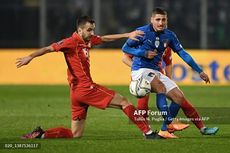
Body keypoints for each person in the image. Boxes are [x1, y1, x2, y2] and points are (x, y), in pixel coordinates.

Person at [16, 16, 164, 140]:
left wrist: (127, 35)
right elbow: (48, 48)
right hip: (86, 88)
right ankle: (148, 133)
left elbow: (105, 38)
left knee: (75, 134)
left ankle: (41, 134)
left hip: (76, 93)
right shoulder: (71, 42)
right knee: (124, 102)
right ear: (79, 30)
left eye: (93, 29)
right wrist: (30, 57)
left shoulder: (88, 40)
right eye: (89, 30)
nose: (92, 32)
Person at [122, 8, 219, 138]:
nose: (160, 23)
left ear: (167, 20)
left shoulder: (169, 36)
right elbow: (125, 48)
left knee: (179, 96)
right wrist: (142, 53)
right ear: (152, 20)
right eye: (157, 19)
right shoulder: (141, 32)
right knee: (157, 91)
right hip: (140, 70)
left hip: (156, 71)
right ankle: (166, 123)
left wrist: (199, 71)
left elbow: (183, 54)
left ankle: (164, 130)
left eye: (163, 20)